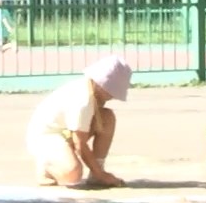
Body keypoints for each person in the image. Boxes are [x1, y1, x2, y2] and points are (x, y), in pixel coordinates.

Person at [26, 55, 131, 188]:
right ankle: (47, 168)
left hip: (65, 132)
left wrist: (97, 171)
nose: (112, 97)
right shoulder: (83, 100)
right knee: (72, 173)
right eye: (111, 92)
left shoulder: (91, 91)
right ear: (103, 86)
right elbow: (79, 142)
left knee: (106, 118)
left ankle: (96, 171)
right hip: (45, 136)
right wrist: (100, 174)